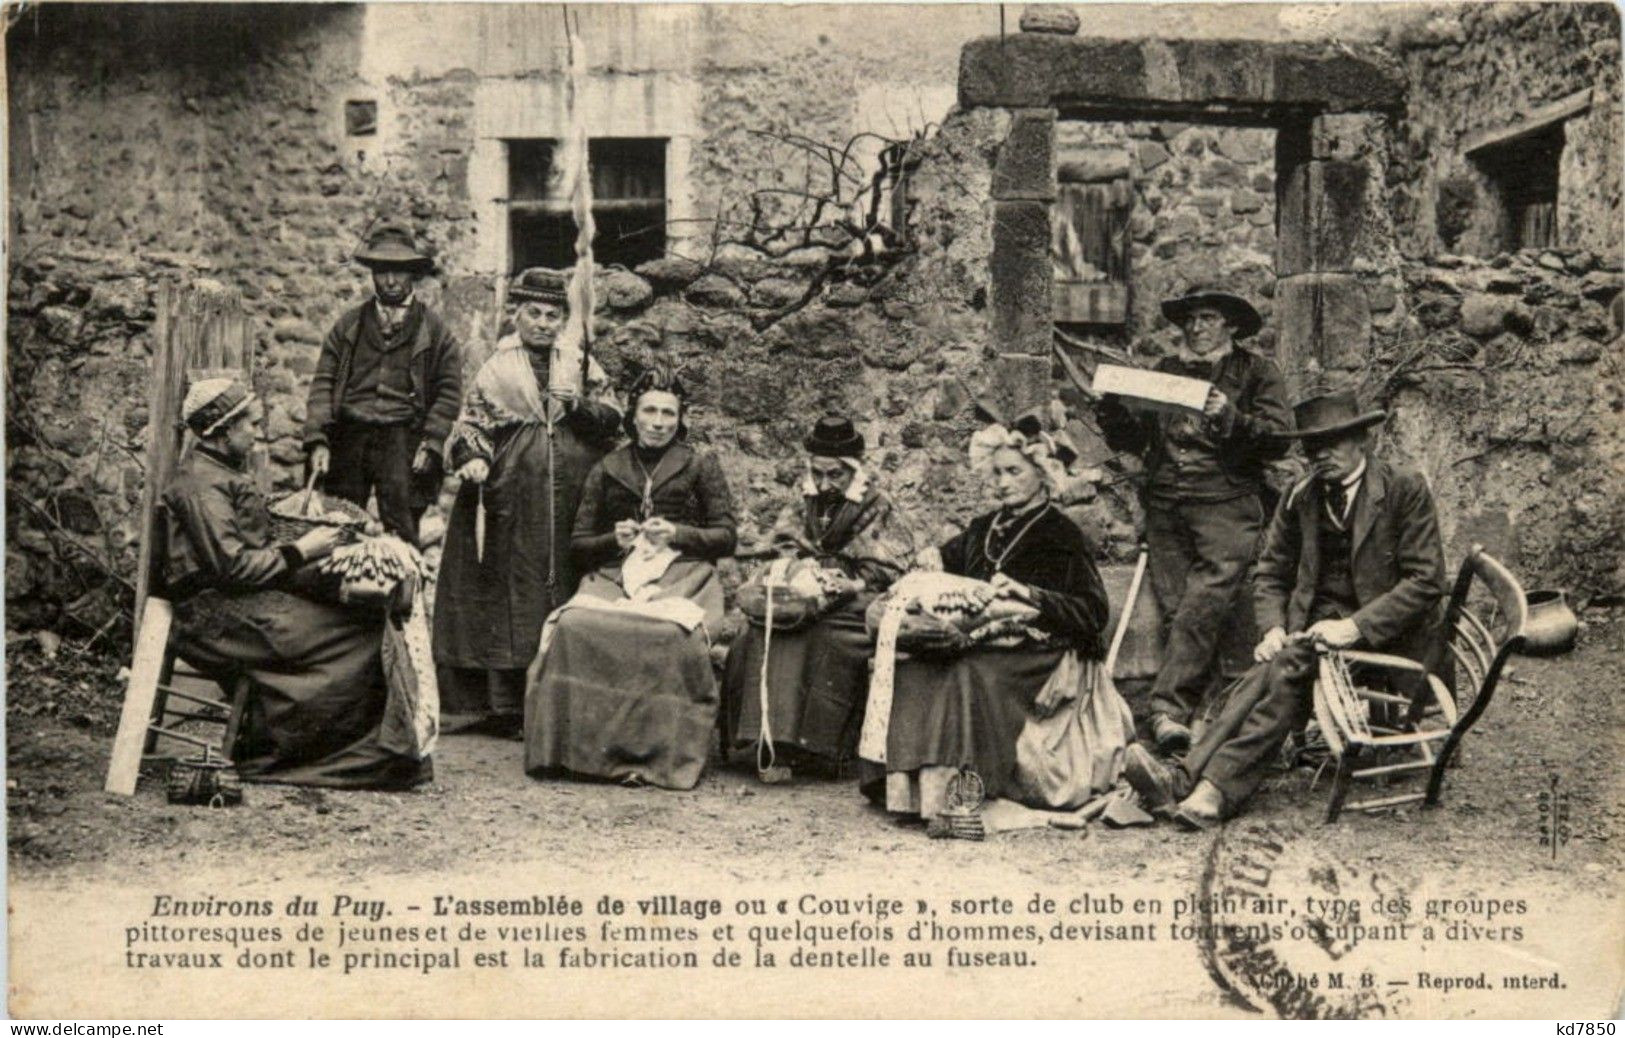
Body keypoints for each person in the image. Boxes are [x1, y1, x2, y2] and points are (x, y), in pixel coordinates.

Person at [1122, 390, 1448, 829]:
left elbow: (1426, 582)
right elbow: (1271, 572)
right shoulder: (1303, 496)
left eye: (1333, 442)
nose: (1322, 455)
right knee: (1275, 665)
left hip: (1394, 637)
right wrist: (1272, 628)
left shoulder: (1404, 489)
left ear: (1362, 441)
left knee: (1286, 669)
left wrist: (1354, 627)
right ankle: (1190, 783)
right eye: (1313, 446)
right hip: (1318, 634)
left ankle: (1206, 785)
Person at [162, 377, 431, 789]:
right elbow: (231, 567)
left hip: (241, 599)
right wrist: (304, 550)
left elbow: (250, 549)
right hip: (209, 616)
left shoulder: (221, 471)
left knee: (361, 619)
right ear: (220, 431)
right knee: (353, 635)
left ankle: (365, 754)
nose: (257, 431)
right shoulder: (200, 483)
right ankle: (284, 758)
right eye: (249, 424)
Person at [860, 419, 1130, 830]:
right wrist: (931, 561)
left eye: (1014, 472)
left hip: (1043, 653)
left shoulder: (1061, 533)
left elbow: (1092, 613)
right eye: (997, 472)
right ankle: (911, 795)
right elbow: (946, 567)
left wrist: (1031, 595)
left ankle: (963, 798)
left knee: (968, 673)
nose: (1002, 482)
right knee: (918, 665)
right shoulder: (983, 529)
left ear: (1042, 475)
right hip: (983, 638)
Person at [1096, 286, 1293, 755]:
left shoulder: (1258, 372)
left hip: (1227, 504)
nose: (1196, 328)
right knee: (1178, 608)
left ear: (1231, 326)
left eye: (1207, 318)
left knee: (1201, 603)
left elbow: (1279, 439)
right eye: (1190, 320)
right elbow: (1137, 440)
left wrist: (1231, 417)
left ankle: (1165, 711)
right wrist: (1108, 407)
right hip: (1166, 507)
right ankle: (1212, 718)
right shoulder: (1165, 372)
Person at [524, 367, 738, 790]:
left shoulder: (699, 465)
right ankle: (580, 754)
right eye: (650, 412)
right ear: (634, 416)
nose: (659, 423)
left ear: (680, 419)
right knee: (573, 626)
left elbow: (726, 537)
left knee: (671, 634)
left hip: (683, 573)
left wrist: (678, 534)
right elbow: (579, 544)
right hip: (616, 572)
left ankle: (657, 756)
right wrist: (613, 539)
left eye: (669, 414)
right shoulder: (609, 466)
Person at [433, 271, 621, 737]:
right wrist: (474, 458)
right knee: (510, 589)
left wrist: (576, 406)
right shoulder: (494, 364)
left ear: (563, 320)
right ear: (516, 315)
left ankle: (566, 699)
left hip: (574, 491)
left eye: (552, 315)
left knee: (567, 581)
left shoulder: (581, 363)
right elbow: (472, 423)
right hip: (510, 492)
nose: (542, 323)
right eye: (533, 314)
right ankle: (508, 705)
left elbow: (614, 419)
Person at [720, 415, 923, 780]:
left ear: (853, 471)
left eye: (836, 475)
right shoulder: (805, 500)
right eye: (819, 473)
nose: (826, 483)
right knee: (765, 627)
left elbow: (890, 569)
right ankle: (764, 740)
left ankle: (813, 749)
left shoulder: (878, 504)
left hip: (861, 597)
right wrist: (796, 572)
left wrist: (848, 584)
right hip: (808, 593)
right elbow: (782, 545)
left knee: (819, 635)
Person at [303, 221, 463, 547]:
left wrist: (431, 442)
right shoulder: (349, 325)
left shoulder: (434, 331)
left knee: (402, 526)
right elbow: (323, 382)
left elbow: (448, 391)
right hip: (351, 434)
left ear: (413, 275)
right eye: (381, 271)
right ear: (372, 274)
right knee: (339, 522)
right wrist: (319, 439)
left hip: (403, 437)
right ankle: (338, 592)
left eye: (399, 272)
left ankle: (401, 592)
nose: (390, 281)